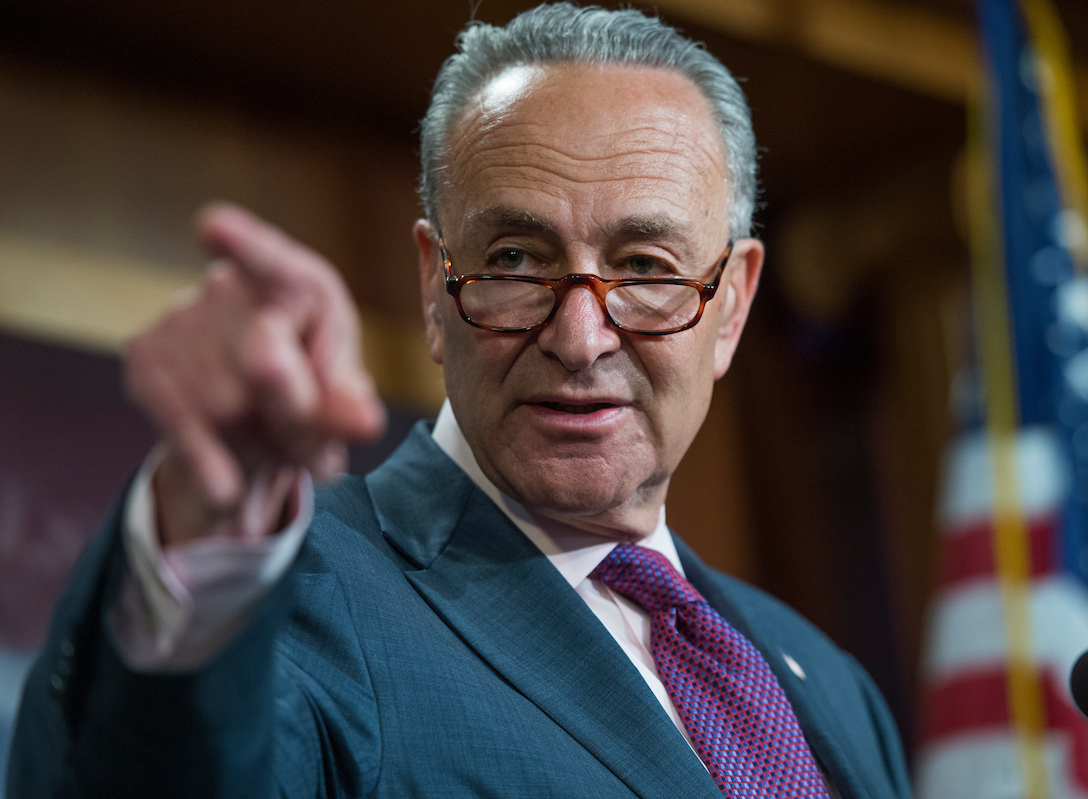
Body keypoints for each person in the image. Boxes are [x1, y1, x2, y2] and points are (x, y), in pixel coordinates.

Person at [8, 5, 911, 798]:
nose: (580, 336)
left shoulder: (829, 683)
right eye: (516, 260)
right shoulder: (301, 594)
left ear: (733, 307)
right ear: (435, 288)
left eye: (645, 268)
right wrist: (203, 549)